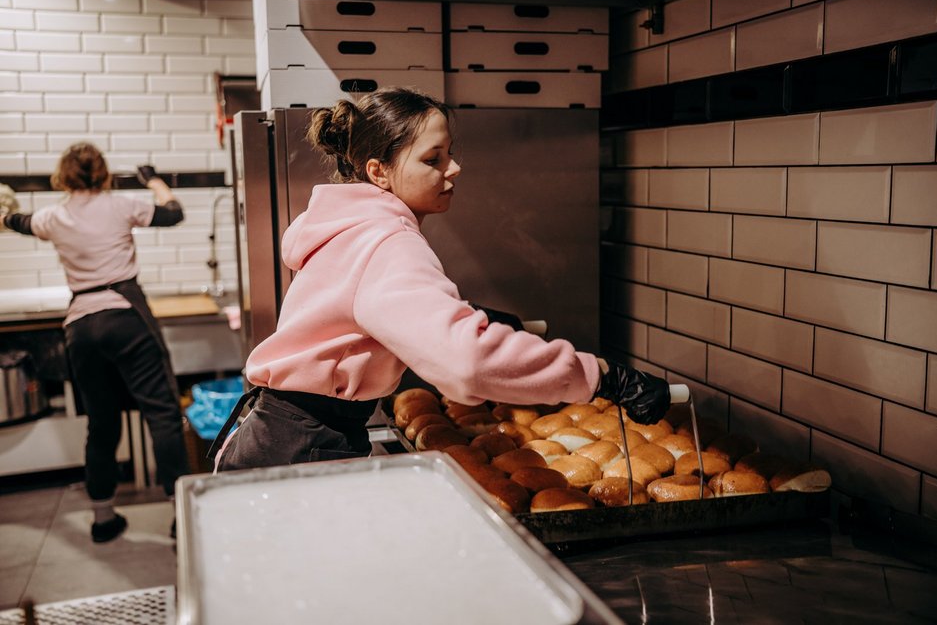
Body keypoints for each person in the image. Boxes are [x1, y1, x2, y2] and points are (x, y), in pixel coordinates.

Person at [211, 87, 670, 472]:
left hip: (277, 436)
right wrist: (601, 377)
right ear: (378, 172)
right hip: (300, 450)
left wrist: (467, 316)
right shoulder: (386, 241)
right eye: (433, 159)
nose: (453, 169)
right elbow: (467, 364)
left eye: (449, 154)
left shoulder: (352, 229)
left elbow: (357, 315)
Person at [0, 143, 190, 543]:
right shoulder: (121, 206)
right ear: (102, 174)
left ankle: (103, 519)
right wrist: (154, 180)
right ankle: (181, 516)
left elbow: (16, 221)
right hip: (125, 317)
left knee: (101, 422)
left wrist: (3, 214)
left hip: (81, 327)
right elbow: (173, 213)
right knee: (162, 414)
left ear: (62, 176)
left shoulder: (52, 217)